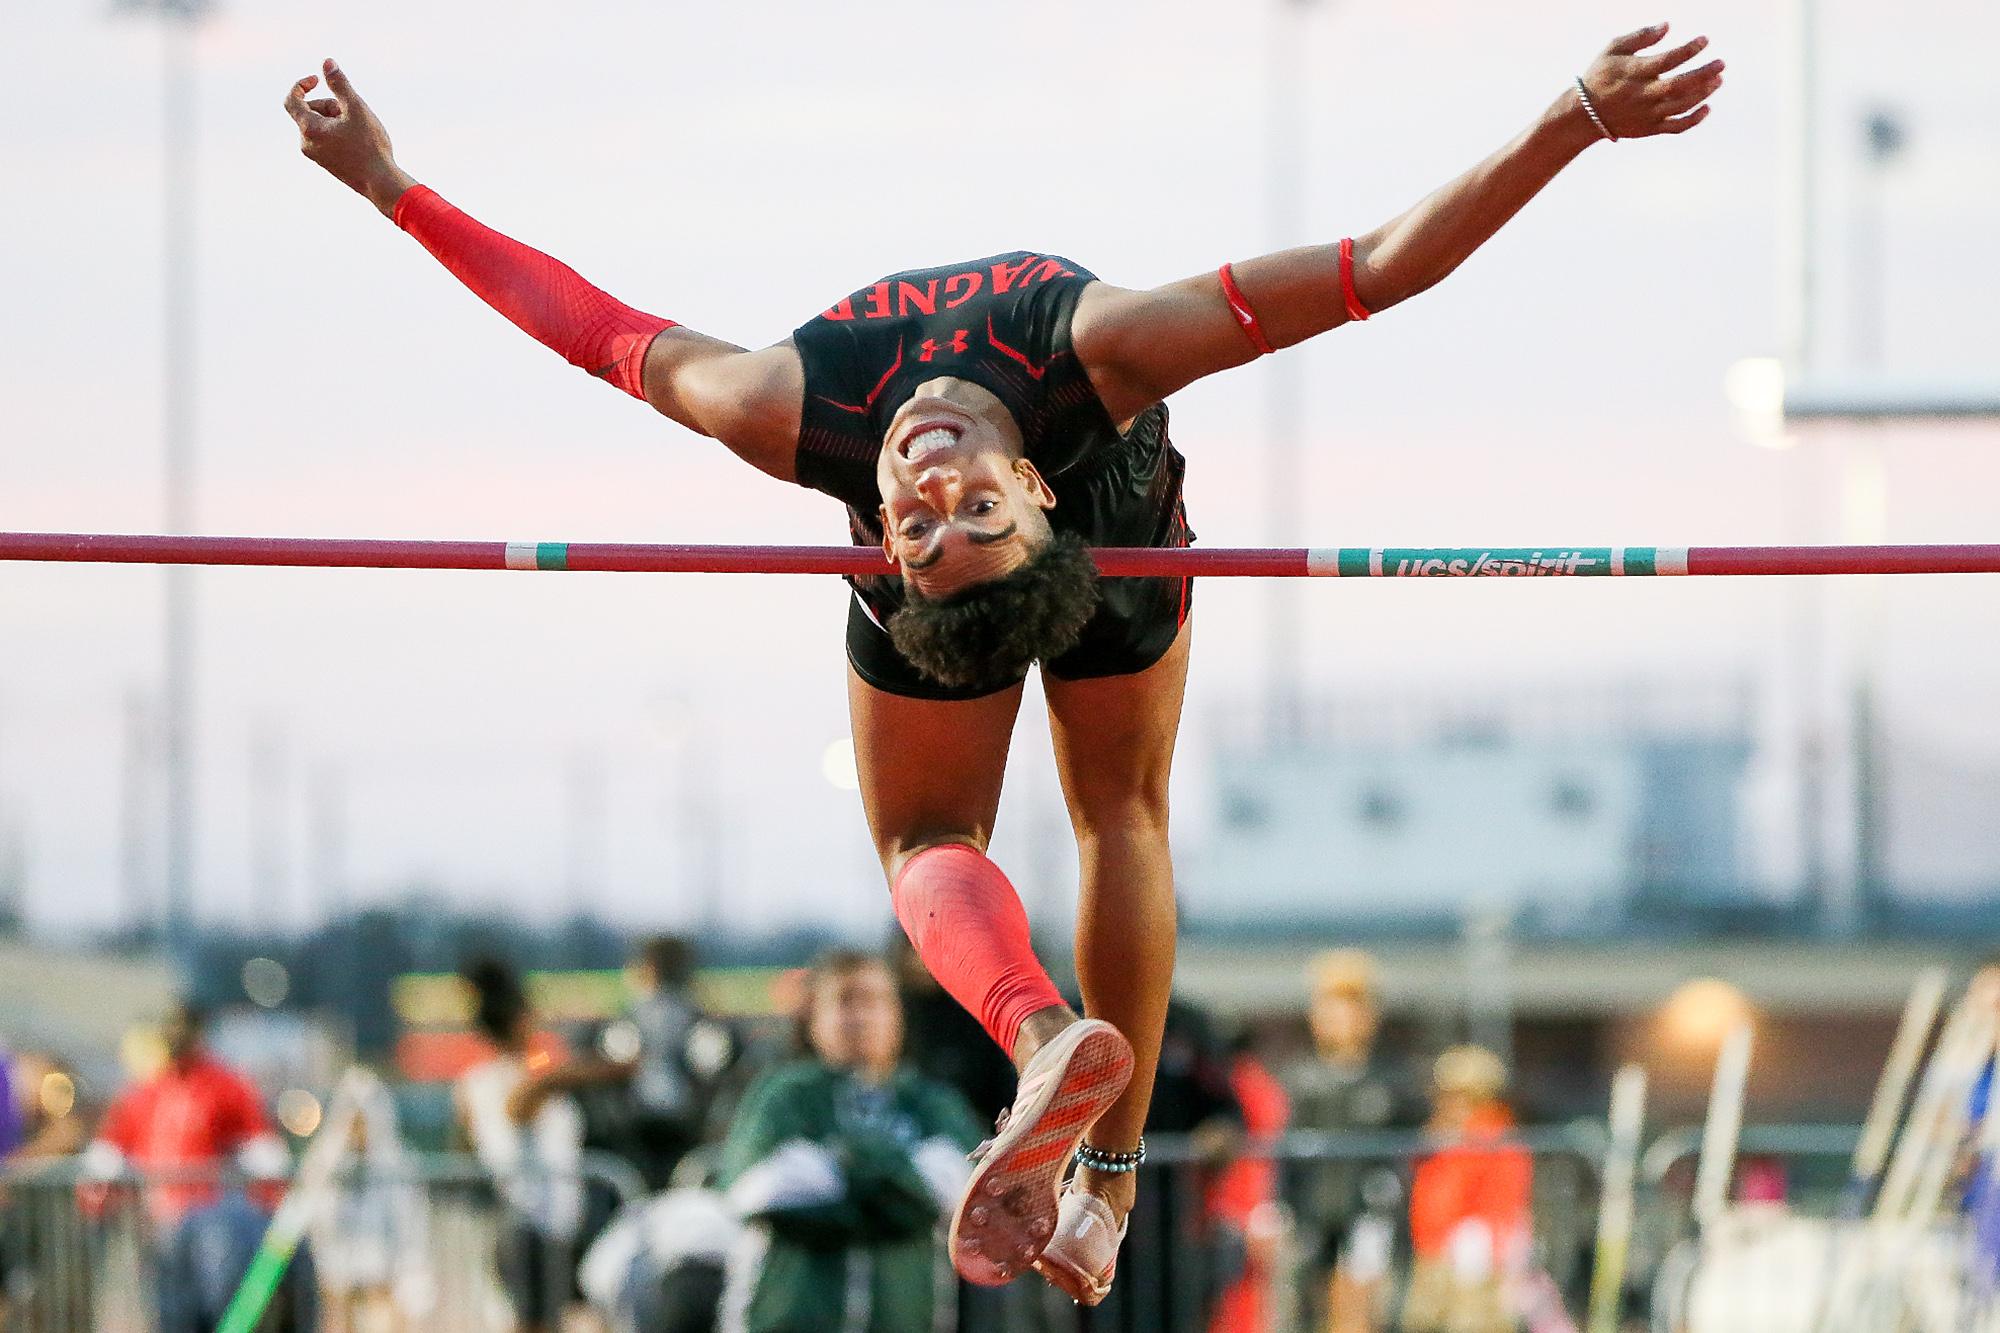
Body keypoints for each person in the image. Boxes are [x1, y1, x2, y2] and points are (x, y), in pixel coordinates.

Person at [280, 30, 1724, 1302]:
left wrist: (397, 194)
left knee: (1058, 819)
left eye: (933, 518)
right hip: (1086, 539)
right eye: (940, 512)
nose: (930, 483)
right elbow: (1371, 271)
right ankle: (1056, 1069)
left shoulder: (810, 407)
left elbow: (595, 331)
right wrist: (1570, 119)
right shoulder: (1083, 352)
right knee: (1036, 825)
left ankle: (1107, 1169)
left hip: (1121, 538)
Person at [715, 949, 983, 1333]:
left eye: (873, 1001)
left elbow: (962, 1195)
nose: (860, 1017)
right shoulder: (784, 1095)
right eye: (844, 1001)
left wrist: (837, 1168)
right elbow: (756, 1190)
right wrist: (898, 1191)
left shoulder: (932, 1102)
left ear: (898, 1015)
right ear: (814, 1019)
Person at [83, 1001, 297, 1333]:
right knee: (168, 1310)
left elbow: (262, 1148)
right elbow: (114, 1143)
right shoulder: (149, 1089)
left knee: (213, 1304)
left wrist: (268, 1189)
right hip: (157, 1223)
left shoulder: (225, 1085)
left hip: (212, 1224)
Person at [1280, 950, 1419, 1332]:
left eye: (1354, 1005)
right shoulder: (1301, 1083)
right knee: (1310, 1305)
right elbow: (1285, 1153)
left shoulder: (1391, 1083)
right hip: (1312, 1214)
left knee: (1363, 1301)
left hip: (1371, 1214)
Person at [454, 957, 588, 1333]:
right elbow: (520, 1107)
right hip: (527, 1220)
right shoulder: (505, 1079)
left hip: (545, 1220)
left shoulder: (477, 1081)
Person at [1401, 1046, 1533, 1333]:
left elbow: (1504, 1198)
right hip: (1432, 1248)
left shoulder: (1495, 1134)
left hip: (1474, 1254)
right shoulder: (1438, 1134)